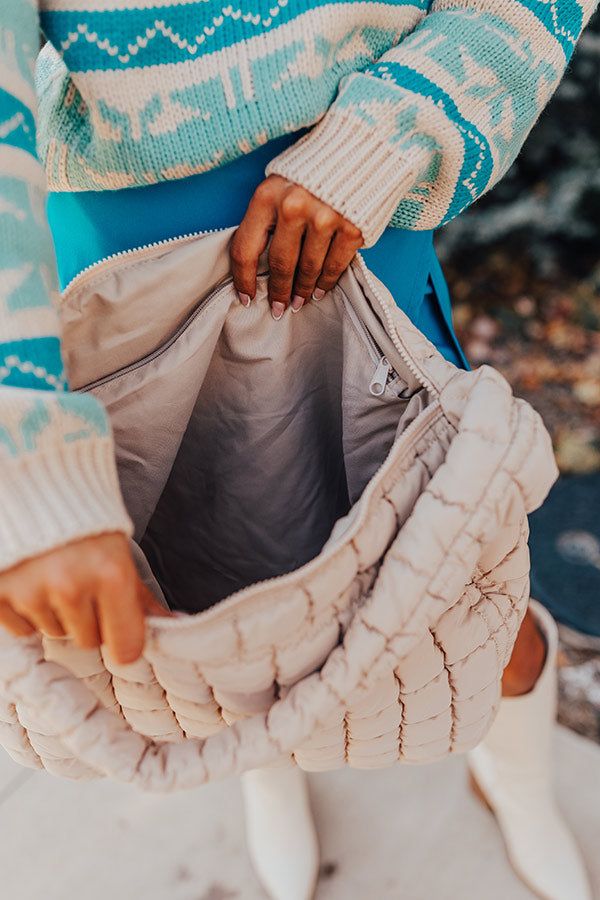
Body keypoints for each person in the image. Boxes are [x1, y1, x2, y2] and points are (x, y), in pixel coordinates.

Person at [0, 2, 596, 898]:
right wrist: (22, 448)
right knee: (212, 606)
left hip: (350, 207)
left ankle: (515, 779)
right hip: (124, 242)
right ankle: (266, 769)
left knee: (469, 591)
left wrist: (395, 130)